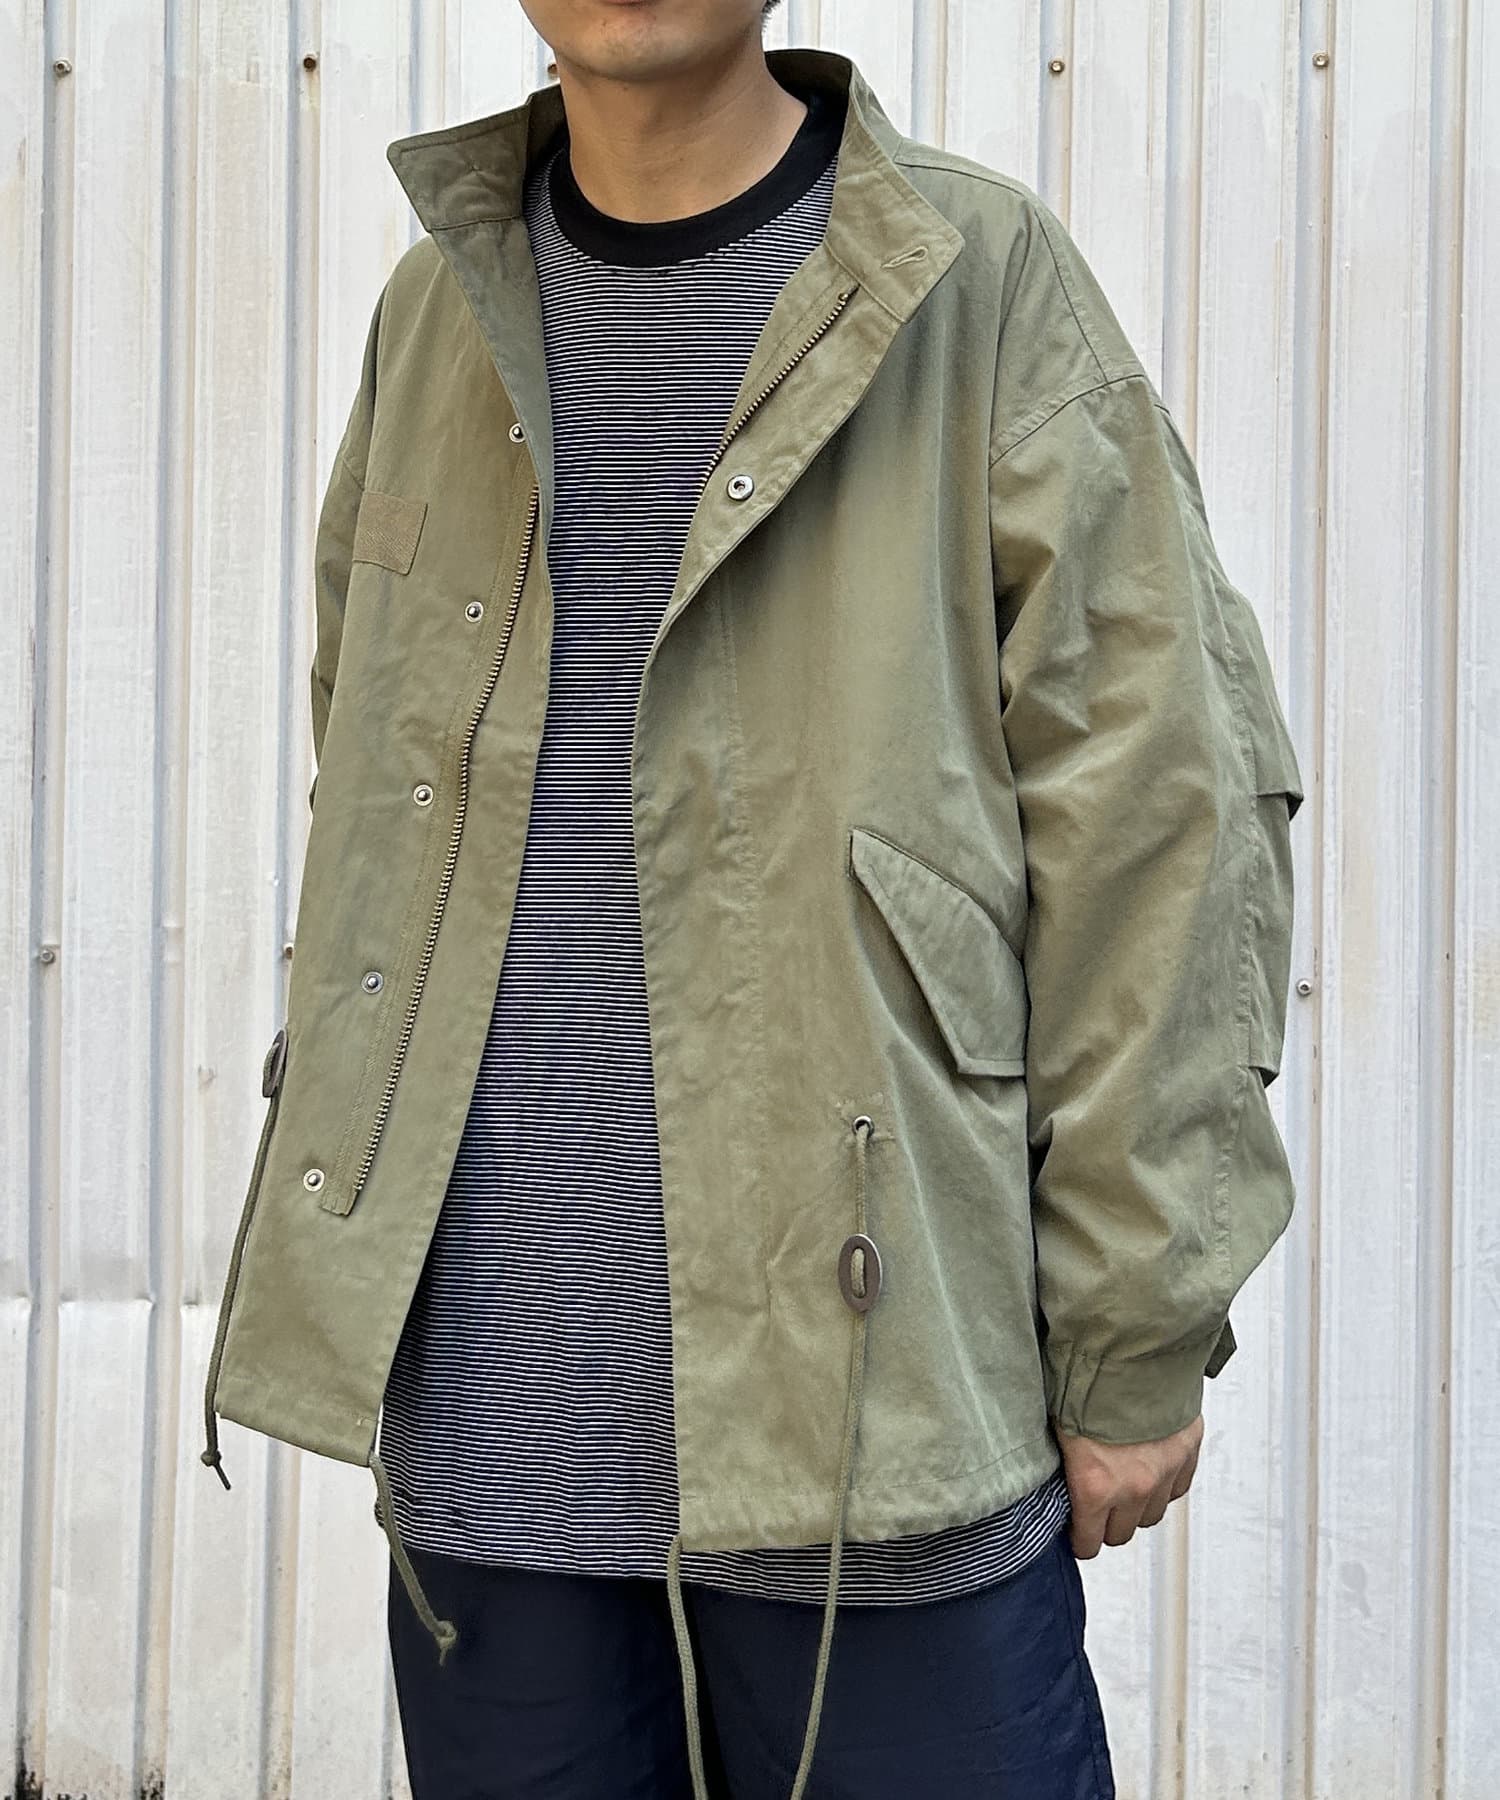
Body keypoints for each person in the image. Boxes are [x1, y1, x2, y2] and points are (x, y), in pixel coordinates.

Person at [200, 2, 1305, 1795]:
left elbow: (1162, 823)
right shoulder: (437, 312)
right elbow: (380, 786)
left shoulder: (972, 283)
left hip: (876, 1399)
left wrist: (1136, 1322)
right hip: (494, 1410)